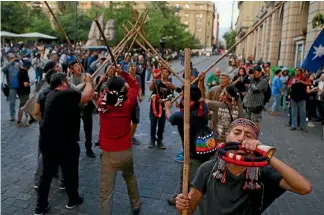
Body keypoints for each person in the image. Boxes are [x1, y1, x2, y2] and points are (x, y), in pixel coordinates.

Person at [175, 118, 312, 215]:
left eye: (248, 135)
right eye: (237, 132)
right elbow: (189, 209)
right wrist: (182, 204)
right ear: (227, 137)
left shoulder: (263, 172)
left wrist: (266, 155)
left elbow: (304, 188)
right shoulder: (208, 168)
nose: (241, 138)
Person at [35, 72, 94, 215]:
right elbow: (87, 96)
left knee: (46, 174)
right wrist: (89, 81)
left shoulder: (50, 94)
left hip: (48, 142)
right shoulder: (66, 94)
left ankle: (40, 206)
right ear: (62, 83)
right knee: (70, 172)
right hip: (64, 143)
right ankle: (73, 199)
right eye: (66, 80)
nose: (68, 82)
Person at [164, 85, 216, 212]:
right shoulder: (202, 107)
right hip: (204, 150)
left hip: (193, 155)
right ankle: (177, 196)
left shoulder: (182, 116)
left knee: (198, 187)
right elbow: (201, 98)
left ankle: (204, 211)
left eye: (183, 95)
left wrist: (167, 107)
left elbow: (170, 118)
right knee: (183, 175)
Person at [98, 67, 141, 215]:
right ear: (122, 89)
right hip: (125, 150)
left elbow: (104, 93)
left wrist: (107, 81)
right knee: (130, 177)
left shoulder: (101, 103)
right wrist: (123, 73)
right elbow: (135, 85)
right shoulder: (127, 103)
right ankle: (136, 204)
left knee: (106, 192)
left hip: (109, 153)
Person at [68, 59, 96, 157]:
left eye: (79, 65)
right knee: (74, 129)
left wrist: (90, 83)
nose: (78, 67)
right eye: (75, 66)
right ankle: (73, 148)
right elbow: (74, 91)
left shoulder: (87, 76)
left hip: (86, 106)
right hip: (75, 108)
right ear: (71, 69)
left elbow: (92, 88)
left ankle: (89, 148)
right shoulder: (69, 80)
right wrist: (85, 83)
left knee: (88, 128)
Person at [149, 67, 180, 149]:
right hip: (154, 106)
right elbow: (151, 89)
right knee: (153, 124)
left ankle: (159, 141)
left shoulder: (169, 84)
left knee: (161, 125)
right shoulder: (157, 81)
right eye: (163, 72)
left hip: (164, 108)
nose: (164, 73)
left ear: (169, 74)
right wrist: (153, 83)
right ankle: (152, 140)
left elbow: (173, 95)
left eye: (166, 72)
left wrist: (171, 102)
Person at [288, 67, 310, 132]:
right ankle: (293, 126)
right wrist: (292, 83)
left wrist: (301, 81)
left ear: (301, 72)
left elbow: (309, 83)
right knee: (294, 112)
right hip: (294, 97)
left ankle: (303, 126)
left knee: (302, 113)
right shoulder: (292, 78)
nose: (296, 72)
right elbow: (288, 86)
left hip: (302, 98)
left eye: (298, 71)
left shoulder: (305, 78)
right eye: (296, 71)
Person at [129, 63, 143, 145]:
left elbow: (139, 88)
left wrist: (140, 96)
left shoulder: (138, 77)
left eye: (134, 66)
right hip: (126, 101)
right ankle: (126, 136)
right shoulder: (125, 77)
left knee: (135, 119)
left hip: (134, 101)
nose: (133, 68)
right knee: (126, 120)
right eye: (131, 66)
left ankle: (131, 136)